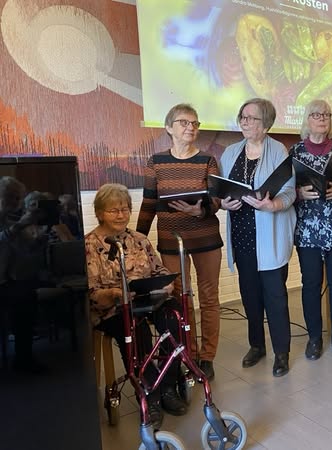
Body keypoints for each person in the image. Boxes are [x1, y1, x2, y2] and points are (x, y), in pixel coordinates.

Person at [86, 183, 188, 429]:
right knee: (136, 328)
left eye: (125, 209)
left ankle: (168, 385)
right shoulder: (89, 245)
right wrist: (115, 293)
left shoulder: (138, 239)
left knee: (174, 316)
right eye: (114, 210)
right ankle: (150, 394)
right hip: (113, 308)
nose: (121, 215)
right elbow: (91, 293)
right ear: (99, 213)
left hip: (147, 300)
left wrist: (166, 284)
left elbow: (159, 270)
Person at [136, 103, 222, 381]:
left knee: (209, 297)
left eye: (195, 123)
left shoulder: (207, 160)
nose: (190, 127)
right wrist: (138, 239)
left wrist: (201, 210)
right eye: (184, 122)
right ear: (169, 128)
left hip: (206, 238)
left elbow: (217, 199)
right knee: (180, 297)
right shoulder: (156, 162)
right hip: (171, 240)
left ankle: (207, 357)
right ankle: (188, 352)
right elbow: (149, 203)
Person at [219, 98, 296, 377]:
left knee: (275, 297)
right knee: (250, 296)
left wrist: (273, 205)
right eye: (243, 116)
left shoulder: (278, 150)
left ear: (266, 124)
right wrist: (223, 203)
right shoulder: (230, 152)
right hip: (242, 236)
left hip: (270, 236)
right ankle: (257, 345)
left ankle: (282, 352)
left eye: (251, 118)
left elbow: (289, 191)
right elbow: (222, 190)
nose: (245, 121)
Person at [290, 99, 332, 361]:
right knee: (311, 284)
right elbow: (284, 190)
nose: (322, 118)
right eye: (316, 114)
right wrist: (298, 193)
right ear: (307, 119)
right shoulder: (295, 152)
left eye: (326, 114)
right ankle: (314, 338)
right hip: (307, 230)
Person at [0, 176, 47, 372]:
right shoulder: (12, 222)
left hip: (9, 280)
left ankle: (23, 358)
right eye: (10, 196)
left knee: (27, 295)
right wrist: (19, 226)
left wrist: (40, 239)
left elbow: (24, 252)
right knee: (24, 296)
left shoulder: (12, 220)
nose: (15, 202)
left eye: (17, 197)